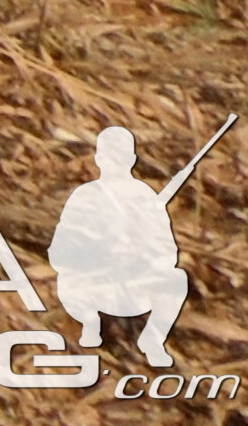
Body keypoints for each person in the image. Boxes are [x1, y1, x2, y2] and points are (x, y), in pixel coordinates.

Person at [49, 128, 192, 365]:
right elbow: (60, 250)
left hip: (132, 283)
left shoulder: (145, 197)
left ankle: (152, 341)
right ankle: (89, 329)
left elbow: (168, 251)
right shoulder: (85, 196)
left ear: (131, 160)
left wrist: (143, 255)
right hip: (91, 283)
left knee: (177, 280)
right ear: (99, 159)